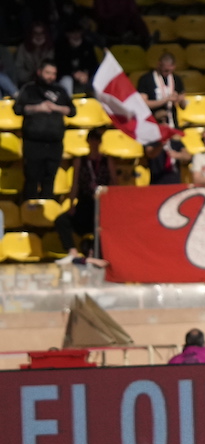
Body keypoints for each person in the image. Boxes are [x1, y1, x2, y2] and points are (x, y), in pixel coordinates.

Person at [14, 61, 74, 200]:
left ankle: (47, 212)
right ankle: (29, 213)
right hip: (33, 143)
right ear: (39, 72)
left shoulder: (60, 90)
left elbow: (72, 111)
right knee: (31, 178)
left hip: (54, 143)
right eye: (48, 73)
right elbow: (17, 109)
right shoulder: (29, 89)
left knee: (49, 178)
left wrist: (56, 108)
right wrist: (37, 108)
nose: (51, 76)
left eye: (54, 74)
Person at [55, 129, 114, 266]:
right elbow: (75, 184)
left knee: (102, 225)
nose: (94, 143)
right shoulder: (80, 161)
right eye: (91, 139)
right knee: (61, 221)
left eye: (96, 139)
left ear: (100, 142)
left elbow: (113, 182)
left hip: (101, 203)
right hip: (84, 201)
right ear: (88, 141)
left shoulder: (106, 160)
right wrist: (71, 205)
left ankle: (97, 254)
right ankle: (72, 252)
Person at [138, 52, 187, 129]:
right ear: (159, 64)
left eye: (169, 70)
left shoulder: (176, 79)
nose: (167, 73)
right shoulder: (146, 79)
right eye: (165, 70)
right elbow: (143, 103)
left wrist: (181, 101)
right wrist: (166, 99)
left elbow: (183, 106)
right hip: (152, 124)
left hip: (172, 124)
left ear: (174, 67)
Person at [145, 112, 190, 185]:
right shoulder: (152, 140)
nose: (164, 124)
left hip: (174, 180)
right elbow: (150, 153)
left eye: (166, 121)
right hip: (157, 181)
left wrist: (177, 155)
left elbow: (188, 156)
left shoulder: (174, 140)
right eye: (160, 121)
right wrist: (161, 144)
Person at [54, 23, 99, 97]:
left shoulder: (88, 45)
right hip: (67, 76)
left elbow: (94, 65)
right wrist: (73, 73)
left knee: (96, 80)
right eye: (72, 33)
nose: (75, 35)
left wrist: (86, 73)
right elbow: (59, 66)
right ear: (67, 34)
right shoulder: (60, 46)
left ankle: (98, 106)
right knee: (66, 80)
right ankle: (68, 105)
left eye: (78, 32)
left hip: (85, 77)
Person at [13, 23, 53, 88]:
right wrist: (31, 74)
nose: (39, 36)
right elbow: (18, 71)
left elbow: (52, 68)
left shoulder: (49, 48)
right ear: (30, 34)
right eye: (35, 33)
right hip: (27, 84)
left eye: (42, 33)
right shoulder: (23, 48)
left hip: (47, 83)